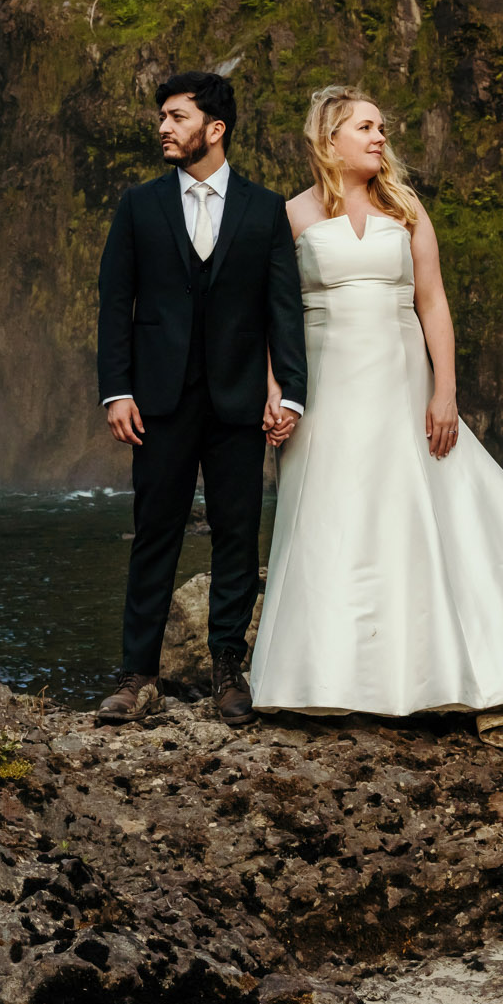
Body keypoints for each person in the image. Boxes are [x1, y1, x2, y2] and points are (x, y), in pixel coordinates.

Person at [248, 84, 503, 747]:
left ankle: (430, 672)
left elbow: (433, 304)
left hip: (401, 381)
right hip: (328, 387)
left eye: (381, 127)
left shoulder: (406, 207)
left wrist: (444, 391)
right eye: (365, 127)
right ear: (329, 137)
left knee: (414, 512)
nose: (379, 137)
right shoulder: (292, 217)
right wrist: (276, 389)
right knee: (332, 519)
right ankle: (328, 678)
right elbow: (270, 317)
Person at [94, 72, 306, 728]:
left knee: (238, 535)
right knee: (154, 532)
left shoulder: (265, 209)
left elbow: (283, 309)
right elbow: (114, 304)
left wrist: (291, 392)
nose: (163, 126)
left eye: (176, 116)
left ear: (214, 128)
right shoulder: (139, 204)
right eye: (162, 115)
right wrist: (116, 390)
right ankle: (137, 677)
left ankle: (227, 673)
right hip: (158, 398)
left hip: (240, 398)